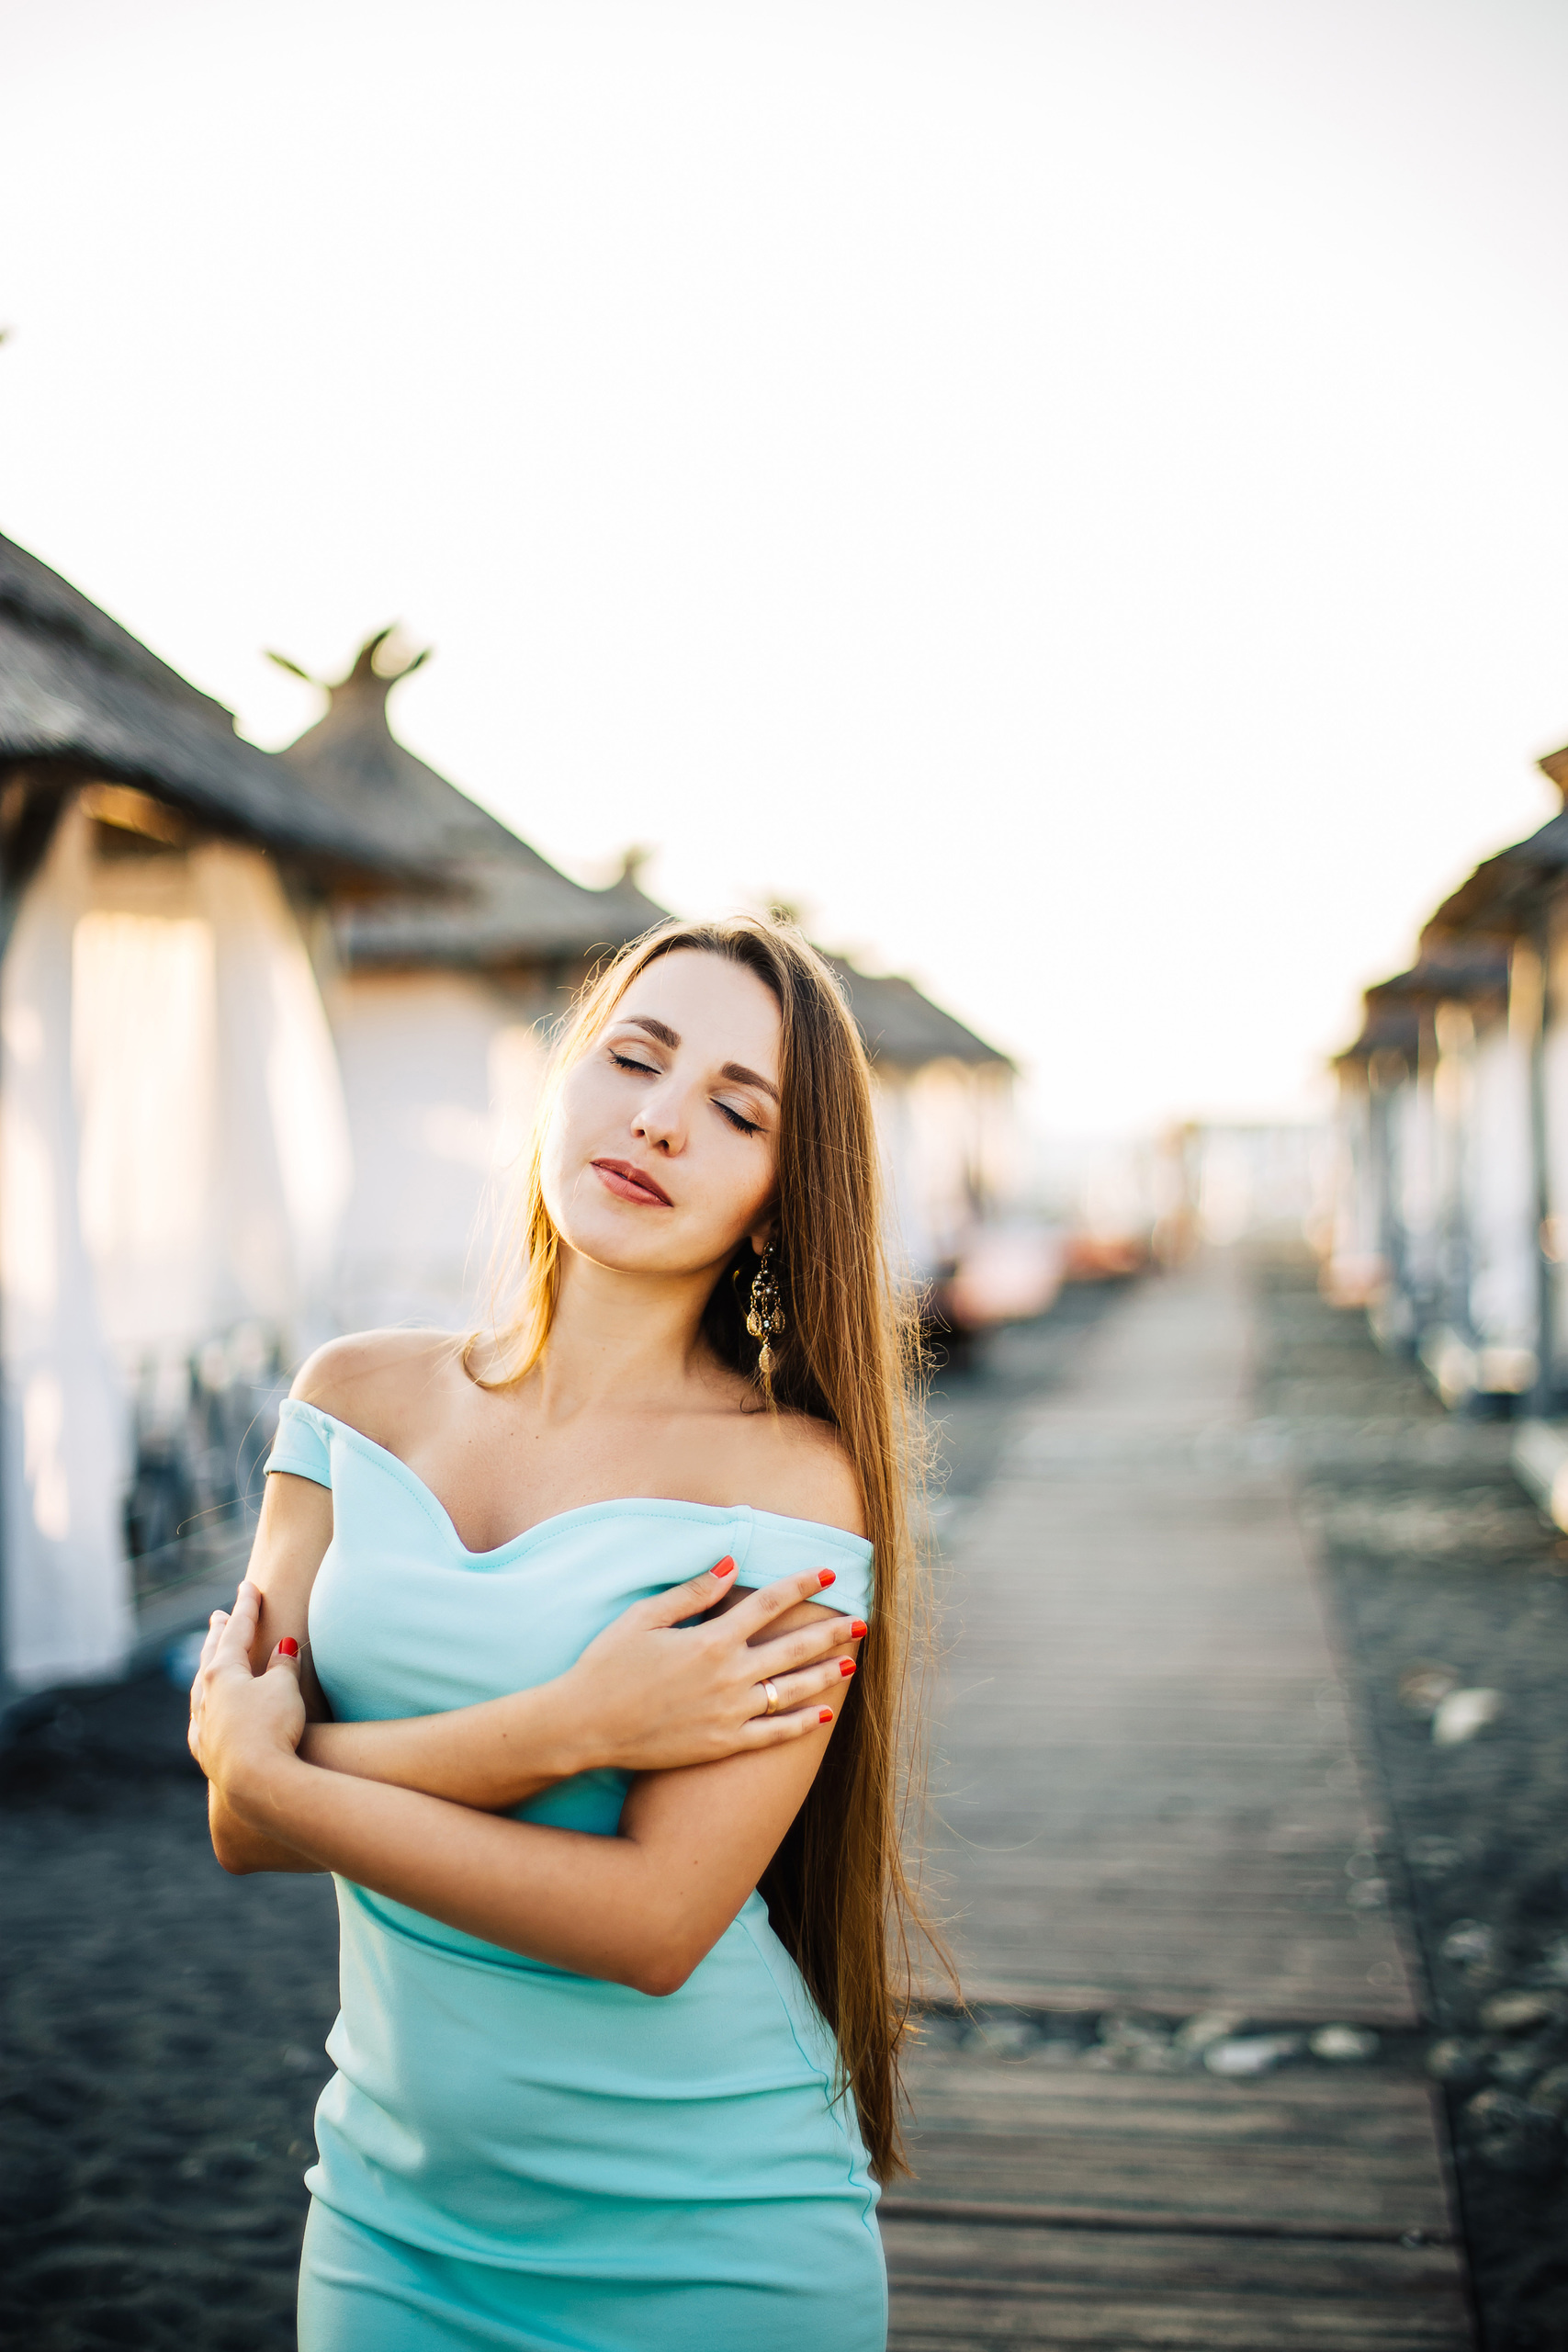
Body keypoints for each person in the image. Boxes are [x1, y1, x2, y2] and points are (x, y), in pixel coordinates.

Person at [188, 915, 936, 2352]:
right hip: (389, 2218)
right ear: (559, 1087)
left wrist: (289, 1773)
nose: (658, 1120)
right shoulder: (352, 1400)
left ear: (784, 1196)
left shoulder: (786, 1480)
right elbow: (242, 1822)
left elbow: (653, 1923)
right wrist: (571, 1730)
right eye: (632, 1060)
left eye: (735, 1108)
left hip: (709, 2228)